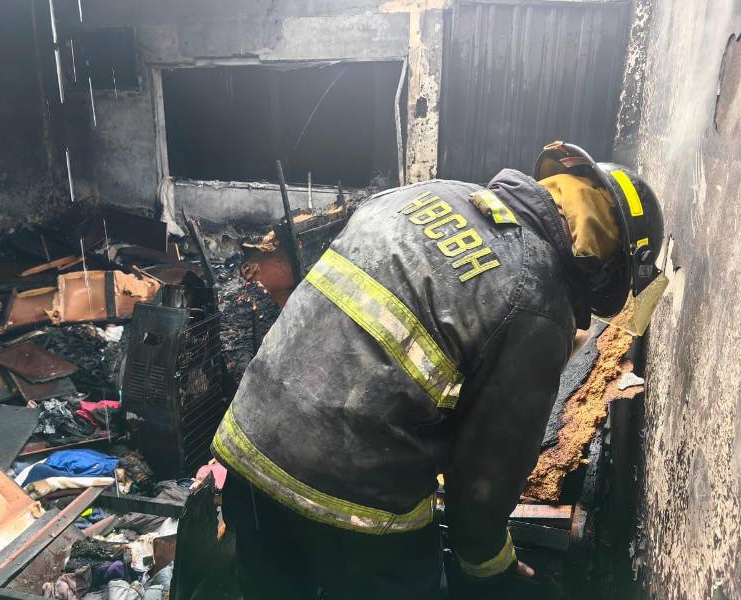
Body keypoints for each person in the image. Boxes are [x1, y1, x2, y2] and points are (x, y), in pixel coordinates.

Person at [211, 142, 666, 599]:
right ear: (609, 265)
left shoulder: (425, 194)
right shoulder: (538, 299)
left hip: (247, 447)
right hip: (353, 505)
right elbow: (484, 478)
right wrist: (489, 568)